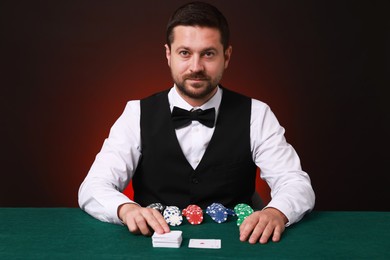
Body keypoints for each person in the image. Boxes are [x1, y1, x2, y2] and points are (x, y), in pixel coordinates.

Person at [78, 1, 315, 244]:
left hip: (238, 245)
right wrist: (125, 209)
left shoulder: (257, 113)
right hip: (152, 245)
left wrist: (277, 213)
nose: (196, 67)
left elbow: (295, 182)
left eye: (208, 54)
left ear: (227, 56)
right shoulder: (135, 113)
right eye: (185, 53)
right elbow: (93, 186)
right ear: (168, 54)